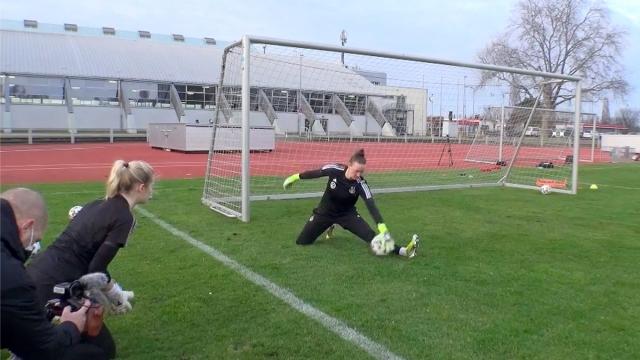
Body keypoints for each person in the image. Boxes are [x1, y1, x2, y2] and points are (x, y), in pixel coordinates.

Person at [27, 160, 155, 359]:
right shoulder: (124, 217)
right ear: (141, 187)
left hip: (38, 270)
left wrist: (114, 291)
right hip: (56, 282)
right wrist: (114, 295)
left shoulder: (97, 203)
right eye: (151, 185)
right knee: (103, 352)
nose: (151, 191)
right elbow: (95, 268)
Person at [1, 188, 106, 360]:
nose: (31, 249)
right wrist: (71, 326)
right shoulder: (12, 277)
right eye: (34, 241)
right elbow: (46, 349)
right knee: (93, 355)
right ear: (27, 227)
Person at [283, 149, 419, 257]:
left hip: (347, 215)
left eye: (361, 171)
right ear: (349, 165)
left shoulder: (361, 183)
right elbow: (316, 173)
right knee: (302, 242)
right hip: (324, 213)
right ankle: (329, 225)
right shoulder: (335, 170)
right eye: (356, 171)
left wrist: (382, 228)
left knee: (370, 237)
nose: (359, 174)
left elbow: (370, 204)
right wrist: (295, 177)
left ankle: (403, 251)